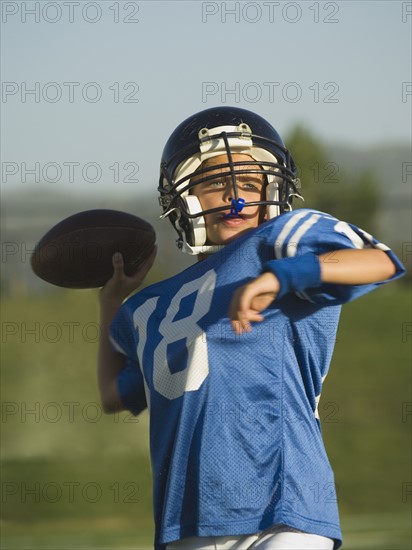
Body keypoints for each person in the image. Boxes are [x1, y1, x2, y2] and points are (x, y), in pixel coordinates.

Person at [97, 107, 405, 550]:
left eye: (248, 182)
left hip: (285, 508)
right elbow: (113, 395)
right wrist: (110, 302)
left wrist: (283, 276)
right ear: (184, 200)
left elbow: (379, 261)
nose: (235, 197)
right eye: (215, 184)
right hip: (187, 522)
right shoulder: (146, 308)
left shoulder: (279, 241)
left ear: (275, 188)